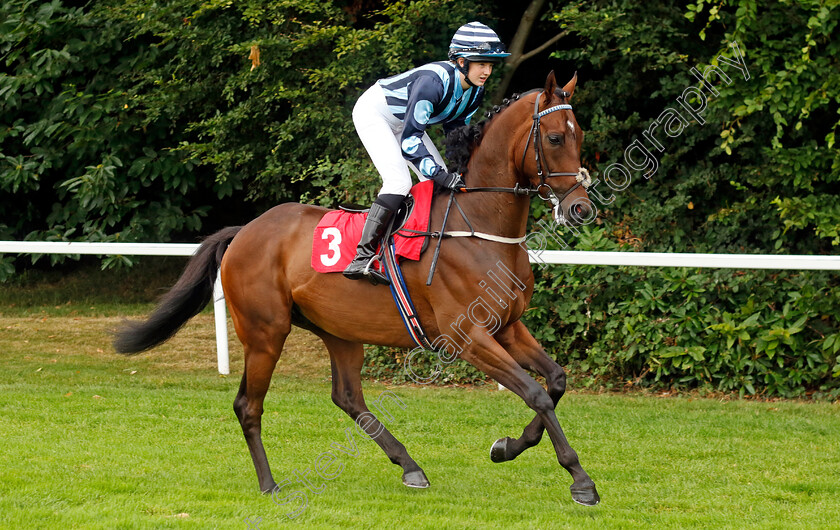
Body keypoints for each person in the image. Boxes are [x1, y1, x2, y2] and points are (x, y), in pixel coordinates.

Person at [343, 21, 510, 285]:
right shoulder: (432, 84)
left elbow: (455, 134)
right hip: (375, 113)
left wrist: (461, 171)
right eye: (482, 64)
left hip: (404, 122)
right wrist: (443, 175)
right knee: (399, 182)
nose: (487, 71)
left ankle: (423, 247)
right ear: (462, 61)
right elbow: (410, 143)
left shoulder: (475, 92)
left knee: (437, 186)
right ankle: (361, 257)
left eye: (490, 64)